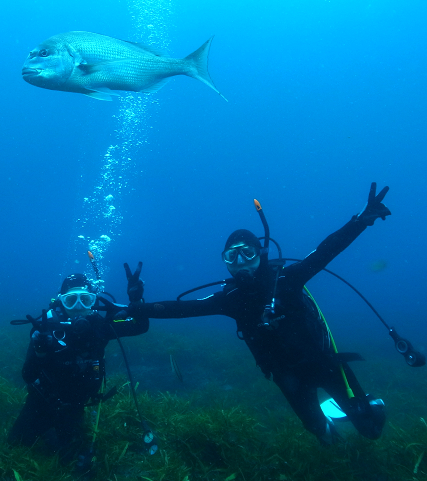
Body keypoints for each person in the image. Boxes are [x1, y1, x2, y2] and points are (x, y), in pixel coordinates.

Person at [123, 183, 391, 445]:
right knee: (318, 431)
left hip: (326, 364)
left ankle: (370, 405)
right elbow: (179, 309)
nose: (240, 263)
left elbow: (324, 251)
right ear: (225, 261)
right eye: (232, 257)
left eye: (247, 254)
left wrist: (360, 221)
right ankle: (330, 429)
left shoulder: (287, 279)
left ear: (261, 255)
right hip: (287, 377)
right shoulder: (230, 300)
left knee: (370, 429)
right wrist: (134, 305)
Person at [8, 273, 149, 469]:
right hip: (41, 401)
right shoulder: (46, 328)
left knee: (70, 462)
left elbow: (140, 326)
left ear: (93, 301)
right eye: (71, 300)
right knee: (14, 447)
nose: (78, 306)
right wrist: (40, 351)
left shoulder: (100, 326)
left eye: (85, 299)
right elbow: (28, 376)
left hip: (76, 406)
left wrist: (136, 300)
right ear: (61, 302)